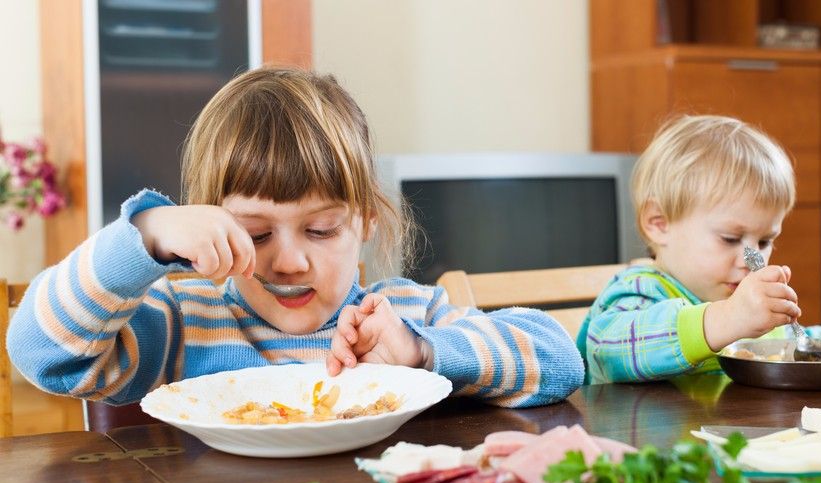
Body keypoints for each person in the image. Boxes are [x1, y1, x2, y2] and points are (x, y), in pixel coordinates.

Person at [7, 66, 583, 408]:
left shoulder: (405, 314)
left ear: (365, 222)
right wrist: (144, 237)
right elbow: (40, 353)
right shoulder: (182, 321)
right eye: (254, 235)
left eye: (322, 229)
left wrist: (421, 352)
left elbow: (561, 360)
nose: (288, 262)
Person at [577, 115, 821, 384]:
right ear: (659, 223)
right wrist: (727, 319)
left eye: (764, 241)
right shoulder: (639, 290)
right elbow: (610, 349)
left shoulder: (737, 304)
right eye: (730, 239)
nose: (753, 259)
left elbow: (783, 343)